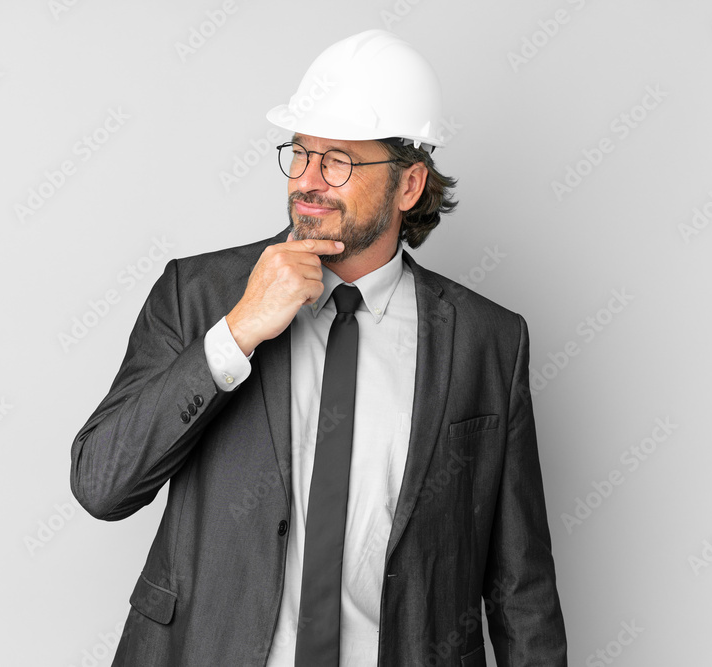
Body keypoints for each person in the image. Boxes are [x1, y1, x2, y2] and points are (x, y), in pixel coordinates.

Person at [70, 28, 567, 667]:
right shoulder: (197, 294)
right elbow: (101, 485)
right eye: (300, 154)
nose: (308, 181)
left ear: (409, 185)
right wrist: (240, 329)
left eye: (338, 160)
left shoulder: (488, 342)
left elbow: (520, 586)